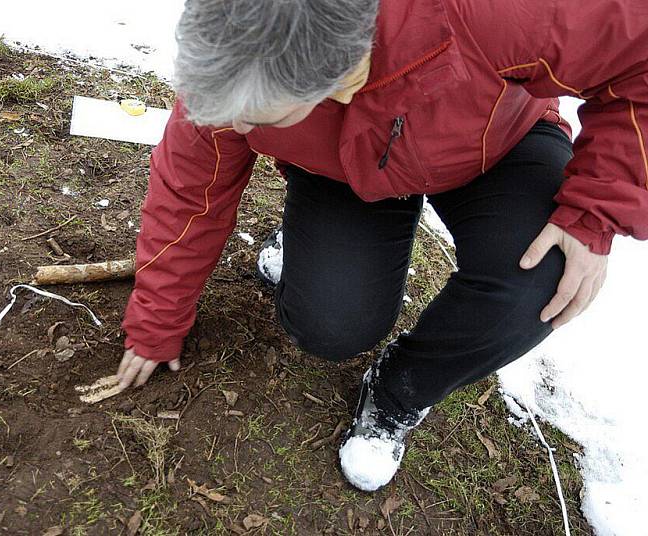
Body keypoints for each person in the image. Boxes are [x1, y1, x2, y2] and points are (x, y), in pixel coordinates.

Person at [115, 0, 647, 491]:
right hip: (344, 163)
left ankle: (398, 393)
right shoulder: (237, 51)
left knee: (542, 281)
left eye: (256, 118)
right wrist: (157, 322)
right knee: (329, 326)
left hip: (493, 141)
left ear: (340, 79)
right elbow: (189, 194)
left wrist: (594, 212)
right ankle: (309, 243)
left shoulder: (501, 12)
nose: (233, 125)